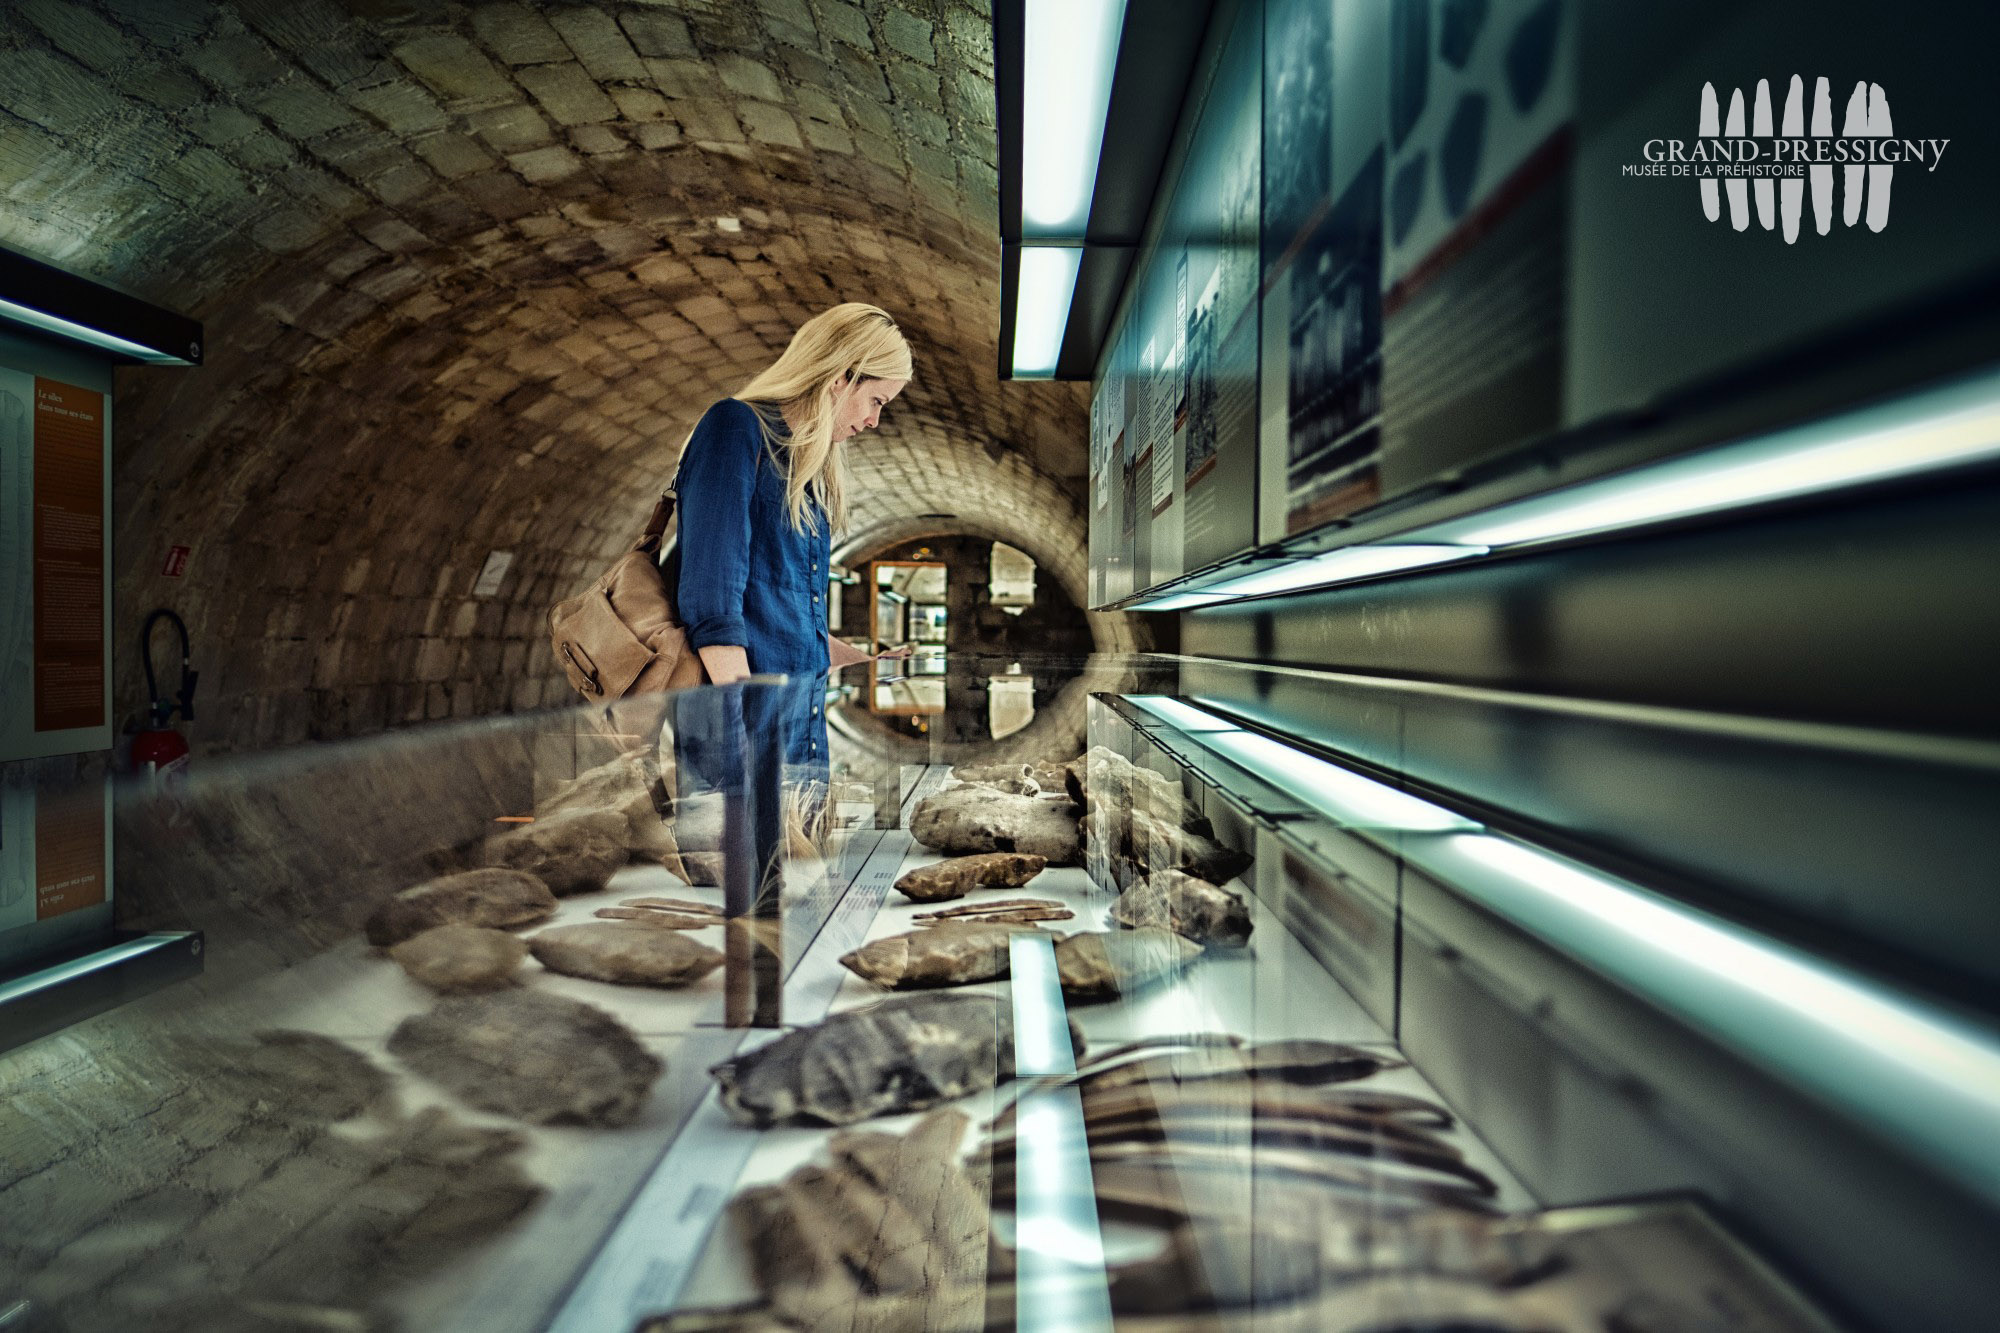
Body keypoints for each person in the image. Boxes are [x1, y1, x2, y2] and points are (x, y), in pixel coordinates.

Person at [672, 303, 913, 785]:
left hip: (799, 729)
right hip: (747, 735)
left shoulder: (807, 470)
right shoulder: (734, 428)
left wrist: (862, 661)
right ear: (841, 376)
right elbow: (711, 599)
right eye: (877, 401)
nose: (873, 422)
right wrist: (744, 738)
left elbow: (782, 619)